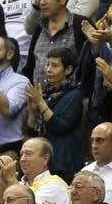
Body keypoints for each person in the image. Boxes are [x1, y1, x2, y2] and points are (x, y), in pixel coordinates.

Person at [26, 46, 84, 181]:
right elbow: (31, 134)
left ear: (68, 69)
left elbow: (60, 127)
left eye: (54, 65)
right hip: (43, 162)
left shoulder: (74, 95)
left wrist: (40, 103)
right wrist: (32, 111)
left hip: (64, 162)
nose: (48, 69)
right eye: (47, 64)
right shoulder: (46, 95)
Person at [24, 0, 85, 88]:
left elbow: (88, 66)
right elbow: (30, 66)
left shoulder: (80, 25)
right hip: (38, 99)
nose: (42, 2)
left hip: (67, 100)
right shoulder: (39, 28)